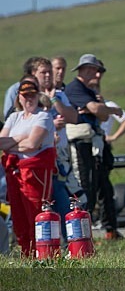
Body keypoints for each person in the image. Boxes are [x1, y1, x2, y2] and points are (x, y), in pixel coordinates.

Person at [64, 54, 124, 240]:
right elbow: (100, 111)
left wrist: (98, 109)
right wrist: (111, 109)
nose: (97, 75)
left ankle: (104, 230)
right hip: (81, 142)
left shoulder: (88, 91)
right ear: (86, 69)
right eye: (95, 70)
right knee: (85, 186)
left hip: (91, 141)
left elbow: (102, 117)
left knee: (99, 186)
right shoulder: (76, 88)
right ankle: (81, 233)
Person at [0, 78, 56, 257]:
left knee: (36, 212)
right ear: (19, 98)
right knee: (19, 216)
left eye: (32, 95)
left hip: (35, 172)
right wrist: (21, 137)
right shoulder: (14, 117)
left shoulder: (43, 116)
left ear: (38, 96)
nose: (29, 99)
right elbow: (2, 142)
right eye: (25, 96)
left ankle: (43, 253)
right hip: (15, 172)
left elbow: (33, 144)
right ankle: (27, 253)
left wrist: (14, 144)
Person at [32, 57, 79, 248]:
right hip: (40, 158)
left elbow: (73, 117)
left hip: (60, 158)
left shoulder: (58, 94)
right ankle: (46, 246)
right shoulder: (30, 96)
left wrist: (54, 100)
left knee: (64, 199)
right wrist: (51, 127)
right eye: (44, 72)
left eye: (50, 72)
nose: (49, 76)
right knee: (46, 202)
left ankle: (69, 245)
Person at [87, 73, 125, 232]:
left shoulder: (108, 105)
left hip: (103, 145)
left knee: (104, 186)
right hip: (87, 146)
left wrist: (113, 137)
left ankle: (108, 224)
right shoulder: (84, 106)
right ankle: (90, 219)